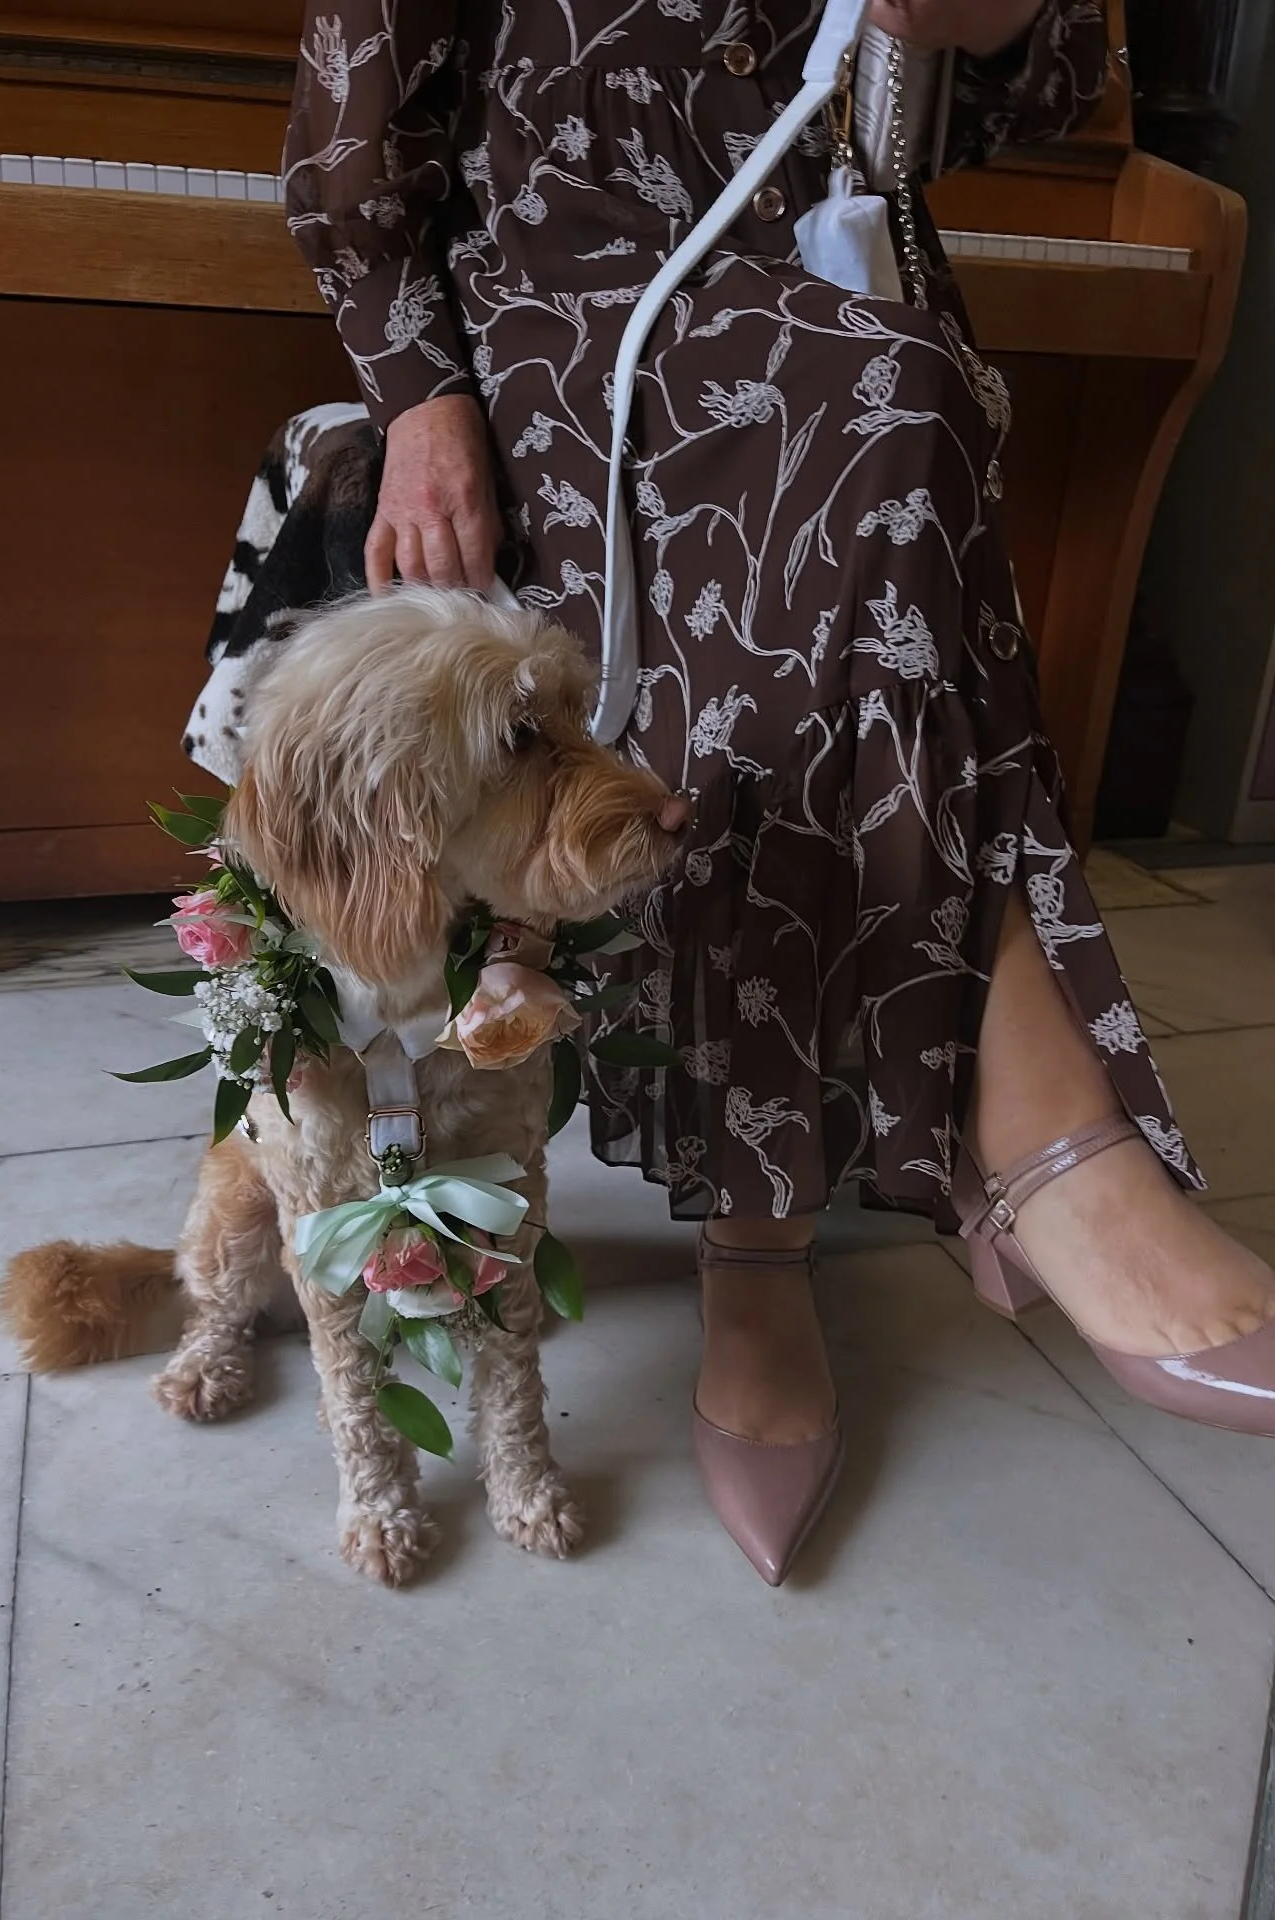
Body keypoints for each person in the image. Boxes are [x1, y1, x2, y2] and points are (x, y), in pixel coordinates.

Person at [282, 0, 1275, 1584]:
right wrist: (415, 389)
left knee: (893, 394)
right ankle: (990, 1154)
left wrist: (986, 23)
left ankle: (814, 1207)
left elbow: (985, 107)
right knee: (876, 403)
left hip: (827, 246)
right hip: (563, 278)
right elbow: (359, 101)